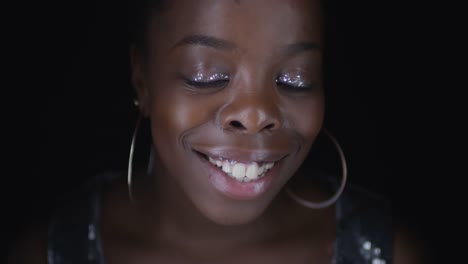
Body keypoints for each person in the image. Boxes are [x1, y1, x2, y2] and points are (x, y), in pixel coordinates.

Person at [9, 0, 425, 263]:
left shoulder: (388, 252)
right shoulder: (50, 252)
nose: (255, 113)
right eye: (206, 74)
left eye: (296, 80)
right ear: (143, 80)